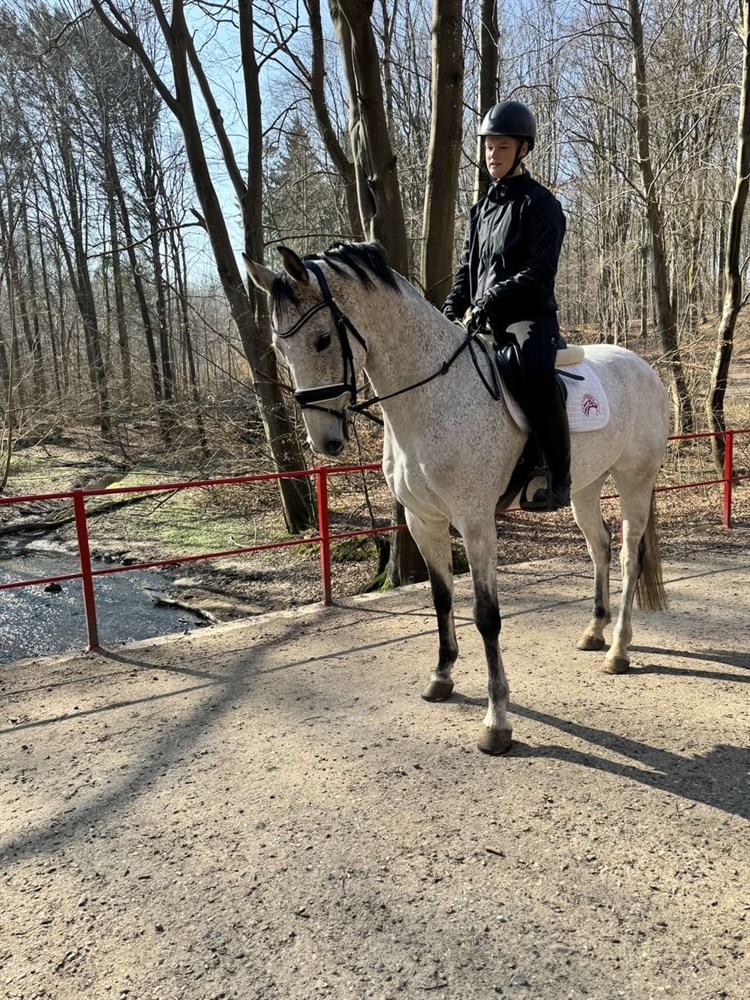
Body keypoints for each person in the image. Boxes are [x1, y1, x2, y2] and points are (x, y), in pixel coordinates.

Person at [442, 99, 570, 511]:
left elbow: (540, 270)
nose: (492, 155)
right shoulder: (480, 210)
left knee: (534, 372)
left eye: (502, 147)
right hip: (483, 320)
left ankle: (557, 477)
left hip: (528, 321)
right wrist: (450, 310)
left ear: (523, 149)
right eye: (488, 147)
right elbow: (465, 271)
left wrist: (493, 298)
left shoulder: (541, 204)